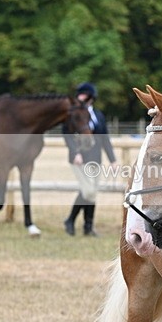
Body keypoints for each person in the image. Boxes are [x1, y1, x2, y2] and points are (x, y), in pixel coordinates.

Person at [63, 82, 117, 237]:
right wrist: (75, 152)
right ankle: (70, 220)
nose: (80, 97)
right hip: (79, 159)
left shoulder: (98, 115)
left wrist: (112, 159)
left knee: (91, 193)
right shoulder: (73, 113)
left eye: (83, 94)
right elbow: (67, 135)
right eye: (79, 94)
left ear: (91, 97)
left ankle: (88, 226)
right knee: (88, 191)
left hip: (95, 159)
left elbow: (105, 139)